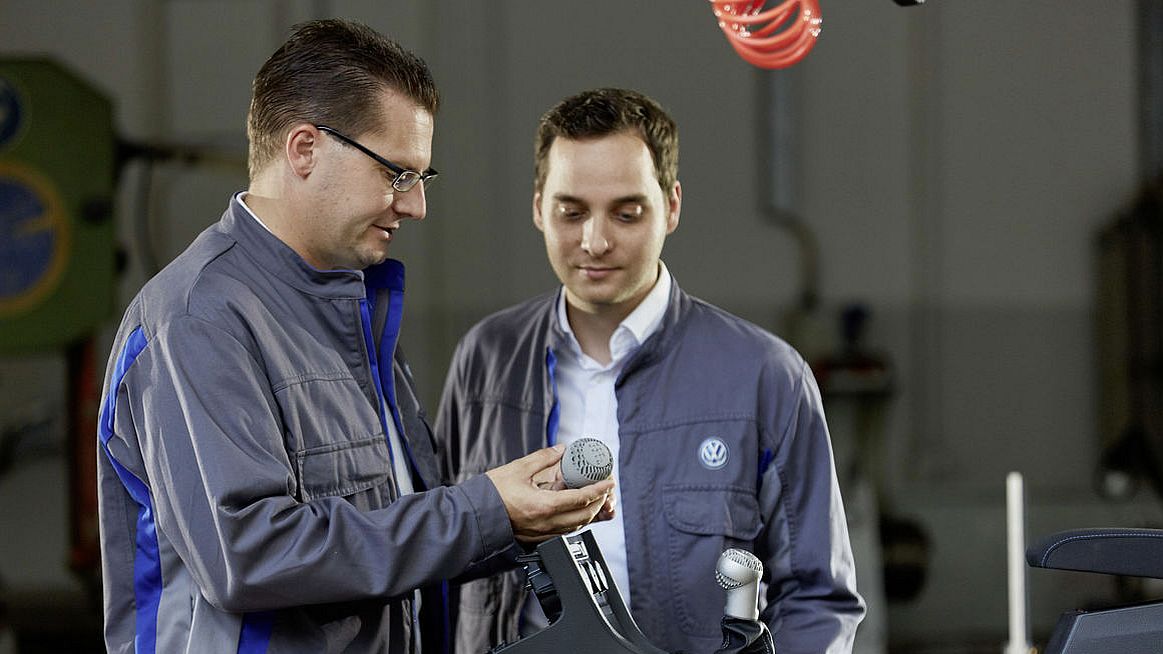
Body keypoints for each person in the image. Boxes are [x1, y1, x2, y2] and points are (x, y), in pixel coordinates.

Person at [96, 19, 614, 654]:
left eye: (421, 179)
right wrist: (485, 509)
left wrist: (519, 518)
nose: (416, 206)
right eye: (398, 174)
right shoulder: (198, 319)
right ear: (305, 149)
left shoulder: (351, 308)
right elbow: (251, 556)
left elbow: (386, 543)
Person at [436, 88, 865, 654]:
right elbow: (439, 558)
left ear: (672, 205)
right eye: (571, 212)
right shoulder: (485, 358)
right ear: (539, 207)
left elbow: (817, 597)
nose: (595, 241)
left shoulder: (765, 375)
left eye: (627, 213)